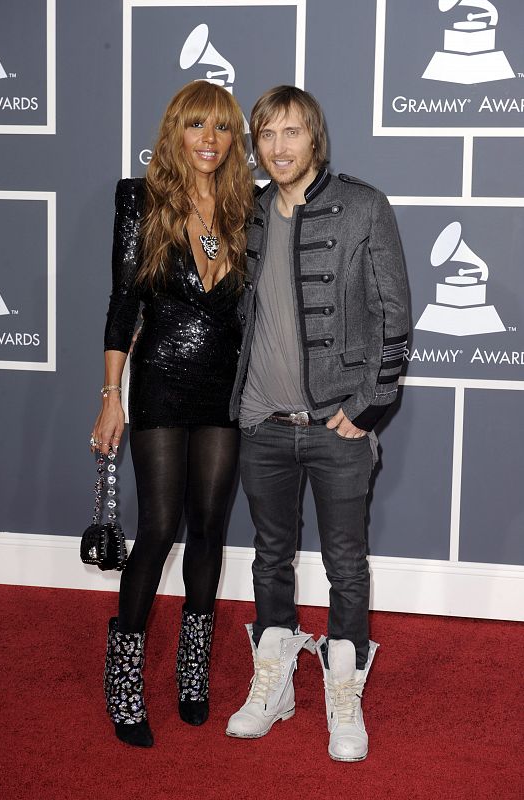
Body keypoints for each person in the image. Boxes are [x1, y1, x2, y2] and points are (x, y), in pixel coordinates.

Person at [225, 86, 409, 762]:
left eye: (291, 133)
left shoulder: (363, 206)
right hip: (261, 425)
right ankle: (273, 686)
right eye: (266, 134)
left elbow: (394, 316)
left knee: (345, 565)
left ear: (315, 138)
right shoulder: (244, 212)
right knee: (269, 558)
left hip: (336, 428)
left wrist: (367, 407)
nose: (277, 147)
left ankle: (342, 694)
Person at [90, 81, 254, 748]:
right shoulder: (141, 199)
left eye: (219, 128)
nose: (207, 140)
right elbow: (122, 306)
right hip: (159, 383)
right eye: (195, 126)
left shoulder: (249, 209)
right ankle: (124, 678)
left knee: (210, 530)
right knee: (158, 529)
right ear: (174, 133)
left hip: (224, 390)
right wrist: (111, 397)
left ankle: (193, 674)